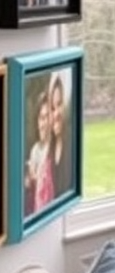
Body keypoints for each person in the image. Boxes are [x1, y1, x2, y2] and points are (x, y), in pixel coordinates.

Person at [24, 91, 54, 218]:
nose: (43, 124)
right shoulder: (35, 150)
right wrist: (29, 179)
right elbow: (30, 179)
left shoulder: (53, 149)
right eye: (41, 118)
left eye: (47, 117)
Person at [49, 72, 73, 201]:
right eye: (52, 108)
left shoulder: (72, 147)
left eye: (59, 105)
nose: (56, 114)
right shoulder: (48, 151)